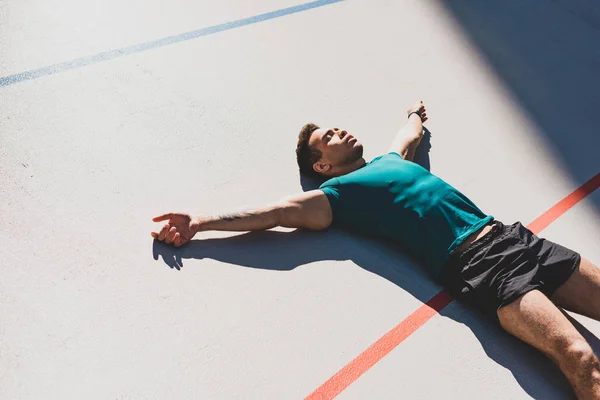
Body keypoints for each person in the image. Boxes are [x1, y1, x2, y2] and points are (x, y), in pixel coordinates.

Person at [151, 101, 600, 399]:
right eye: (328, 135)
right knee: (579, 357)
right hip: (480, 267)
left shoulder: (390, 161)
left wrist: (415, 115)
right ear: (321, 165)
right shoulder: (339, 194)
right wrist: (201, 223)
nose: (339, 130)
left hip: (512, 237)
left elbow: (406, 135)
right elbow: (277, 212)